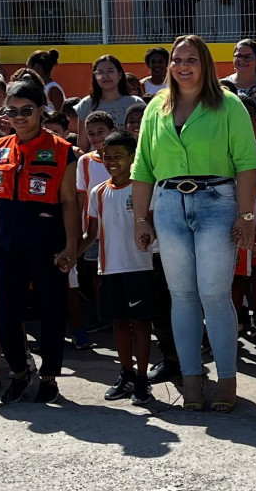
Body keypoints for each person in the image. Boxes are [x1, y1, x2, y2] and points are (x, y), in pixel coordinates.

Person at [131, 36, 256, 413]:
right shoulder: (156, 107)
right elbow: (142, 168)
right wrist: (141, 218)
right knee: (183, 296)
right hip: (169, 205)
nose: (182, 66)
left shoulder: (229, 105)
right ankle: (191, 380)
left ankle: (226, 379)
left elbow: (247, 166)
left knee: (215, 294)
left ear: (205, 64)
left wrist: (247, 215)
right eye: (177, 59)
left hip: (217, 203)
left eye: (191, 59)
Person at [0, 79, 81, 403]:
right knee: (5, 312)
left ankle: (49, 377)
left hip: (47, 241)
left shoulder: (63, 150)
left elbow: (69, 203)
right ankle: (20, 373)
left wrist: (71, 246)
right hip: (8, 242)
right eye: (13, 111)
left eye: (27, 111)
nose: (19, 117)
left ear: (41, 110)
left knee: (51, 310)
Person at [84, 130, 156, 404]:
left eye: (118, 156)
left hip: (140, 267)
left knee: (140, 324)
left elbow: (153, 225)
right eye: (106, 156)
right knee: (118, 323)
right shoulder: (98, 192)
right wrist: (70, 254)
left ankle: (142, 378)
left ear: (132, 158)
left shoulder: (144, 187)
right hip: (109, 269)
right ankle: (125, 373)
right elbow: (91, 234)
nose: (111, 161)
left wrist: (150, 236)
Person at [74, 55, 146, 130]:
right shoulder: (86, 104)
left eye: (110, 71)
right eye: (100, 72)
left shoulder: (135, 102)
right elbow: (82, 141)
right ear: (95, 76)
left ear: (120, 74)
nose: (105, 76)